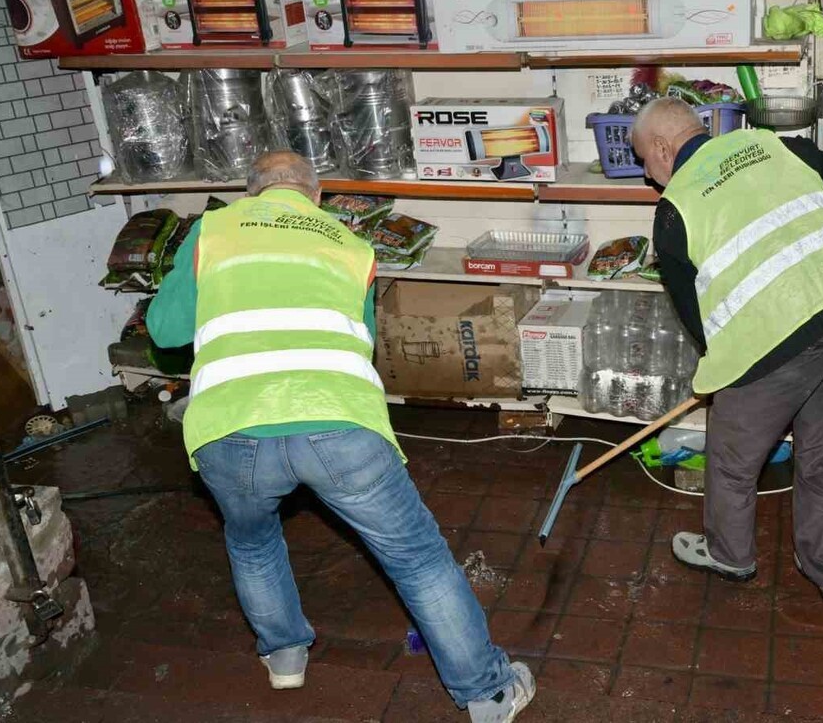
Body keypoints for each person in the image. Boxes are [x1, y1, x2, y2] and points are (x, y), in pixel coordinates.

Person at [147, 151, 534, 721]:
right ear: (318, 197)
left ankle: (284, 657)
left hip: (230, 427)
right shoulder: (353, 246)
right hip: (336, 422)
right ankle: (488, 694)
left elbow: (165, 330)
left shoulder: (214, 228)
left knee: (252, 542)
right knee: (419, 560)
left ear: (251, 194)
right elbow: (363, 341)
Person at [630, 99, 823, 610]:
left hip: (775, 346)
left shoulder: (674, 209)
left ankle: (731, 555)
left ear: (663, 147)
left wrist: (730, 380)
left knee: (731, 462)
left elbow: (698, 321)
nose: (647, 174)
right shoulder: (774, 144)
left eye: (645, 160)